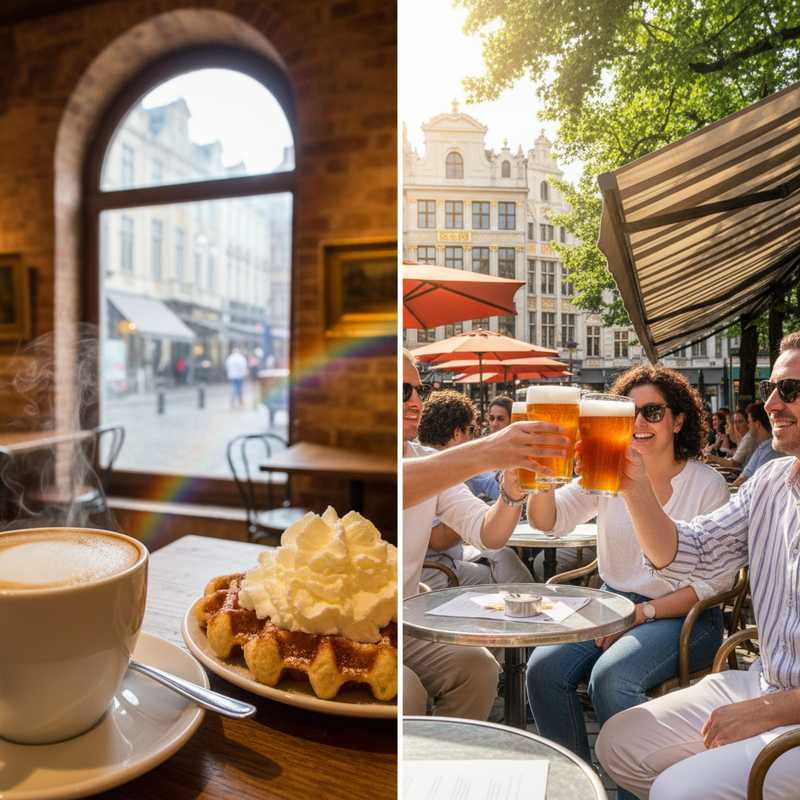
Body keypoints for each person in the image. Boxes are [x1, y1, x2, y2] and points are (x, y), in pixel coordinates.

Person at [595, 332, 800, 800]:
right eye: (771, 388)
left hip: (785, 703)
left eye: (789, 390)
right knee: (617, 743)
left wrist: (771, 711)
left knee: (676, 790)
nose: (770, 403)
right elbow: (691, 551)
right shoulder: (769, 481)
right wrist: (634, 486)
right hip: (764, 680)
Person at [525, 366, 732, 799]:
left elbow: (715, 584)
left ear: (678, 420)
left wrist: (642, 613)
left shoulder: (706, 484)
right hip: (613, 601)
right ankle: (577, 786)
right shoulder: (606, 471)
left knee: (612, 678)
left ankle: (636, 791)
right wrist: (542, 468)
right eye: (629, 414)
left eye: (652, 412)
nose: (638, 424)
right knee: (542, 669)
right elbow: (546, 522)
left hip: (686, 614)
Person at [402, 350, 567, 719]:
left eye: (418, 390)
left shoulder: (425, 457)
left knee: (478, 668)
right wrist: (489, 450)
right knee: (407, 691)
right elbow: (402, 483)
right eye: (402, 391)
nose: (415, 401)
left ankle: (448, 762)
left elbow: (487, 535)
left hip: (402, 621)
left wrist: (511, 491)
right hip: (363, 626)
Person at [417, 390, 532, 591]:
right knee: (503, 572)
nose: (474, 437)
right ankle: (526, 604)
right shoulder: (435, 467)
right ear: (456, 434)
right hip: (433, 570)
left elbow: (488, 483)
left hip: (448, 557)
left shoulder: (434, 459)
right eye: (472, 430)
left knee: (504, 555)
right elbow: (439, 540)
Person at [732, 401, 781, 487]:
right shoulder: (762, 447)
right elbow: (743, 477)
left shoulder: (770, 450)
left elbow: (754, 485)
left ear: (757, 424)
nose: (747, 425)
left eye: (749, 421)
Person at [706, 407, 756, 473]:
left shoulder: (748, 438)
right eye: (735, 422)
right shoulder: (745, 437)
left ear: (747, 423)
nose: (737, 425)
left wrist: (711, 458)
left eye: (740, 422)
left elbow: (733, 464)